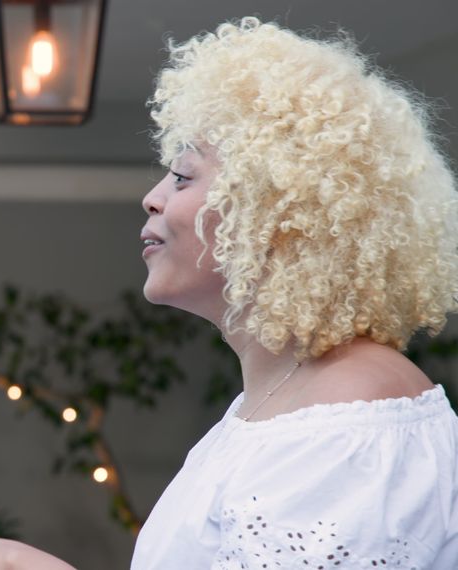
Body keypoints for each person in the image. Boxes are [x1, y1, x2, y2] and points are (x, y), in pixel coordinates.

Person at [132, 17, 458, 568]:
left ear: (280, 208)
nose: (152, 198)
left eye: (183, 177)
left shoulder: (349, 414)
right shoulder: (286, 401)